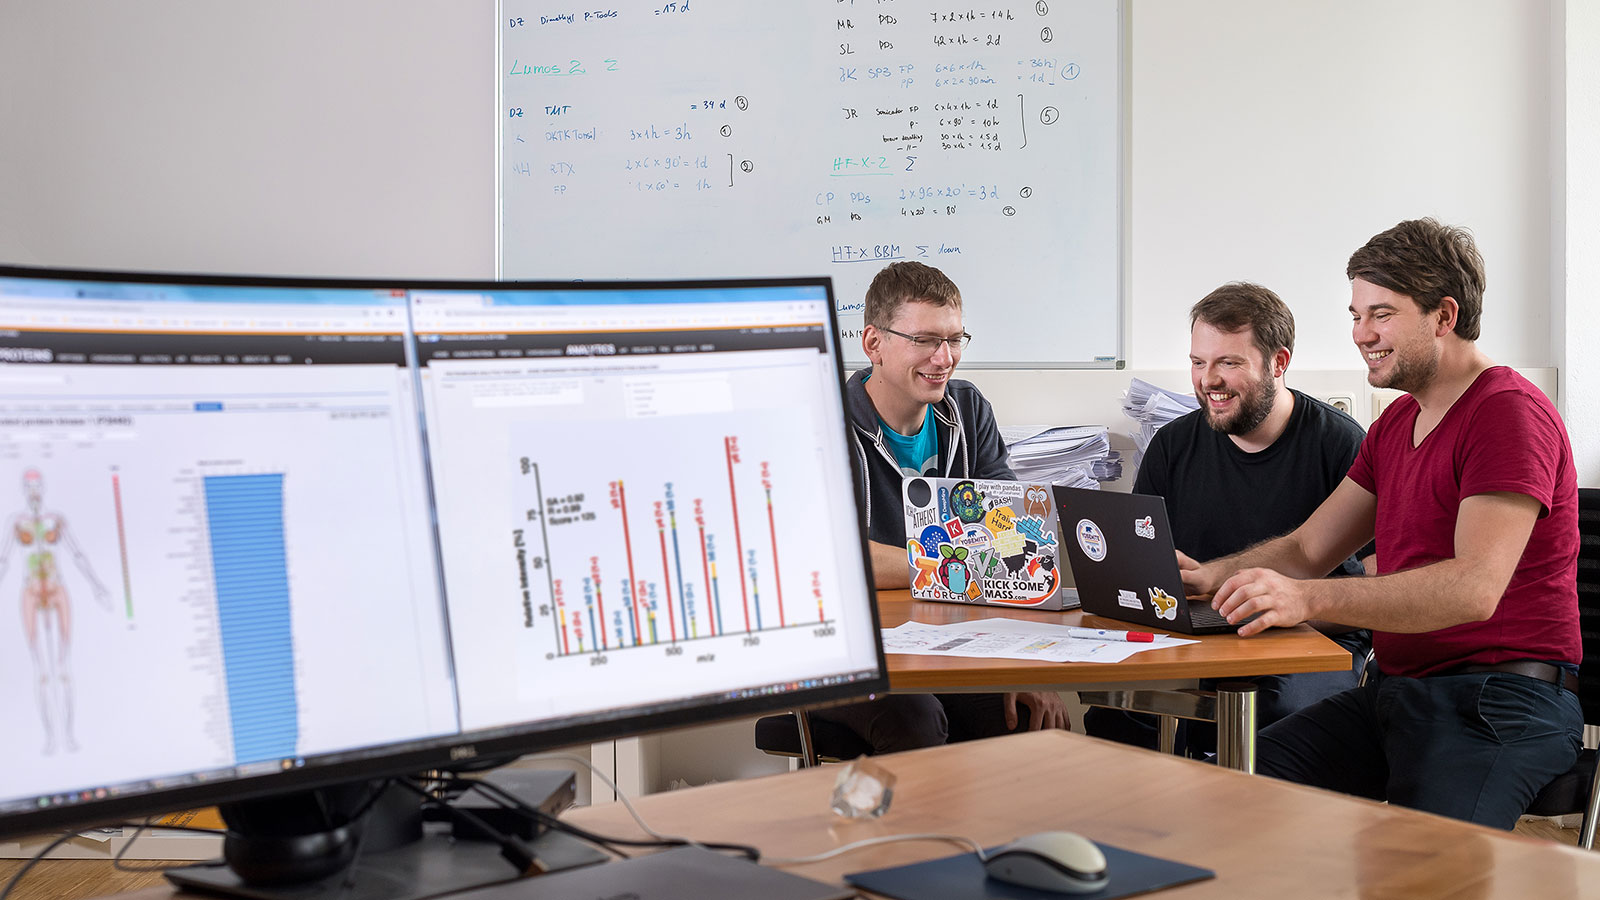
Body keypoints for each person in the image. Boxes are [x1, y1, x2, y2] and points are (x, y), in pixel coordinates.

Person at [1182, 219, 1582, 828]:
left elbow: (1474, 587)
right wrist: (1208, 576)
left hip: (1500, 702)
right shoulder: (1397, 425)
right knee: (1230, 800)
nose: (1361, 334)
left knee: (1425, 868)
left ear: (1444, 315)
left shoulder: (1507, 413)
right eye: (1355, 314)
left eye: (1381, 314)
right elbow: (1308, 547)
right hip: (1397, 693)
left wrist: (1304, 599)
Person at [1083, 282, 1372, 756]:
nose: (1208, 380)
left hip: (1311, 638)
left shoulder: (1340, 445)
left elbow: (1380, 580)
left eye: (1229, 363)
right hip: (1200, 637)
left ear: (1279, 363)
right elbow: (1141, 569)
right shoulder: (1173, 445)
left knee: (1274, 720)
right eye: (1199, 362)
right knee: (1113, 716)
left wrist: (1294, 606)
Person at [811, 261, 1071, 752]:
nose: (944, 357)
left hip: (948, 639)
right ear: (873, 344)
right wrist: (957, 565)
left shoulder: (968, 410)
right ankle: (910, 832)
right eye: (926, 340)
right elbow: (837, 561)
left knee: (1027, 720)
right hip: (848, 651)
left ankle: (995, 833)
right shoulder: (823, 420)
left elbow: (1012, 537)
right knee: (916, 718)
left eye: (955, 339)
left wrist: (1021, 659)